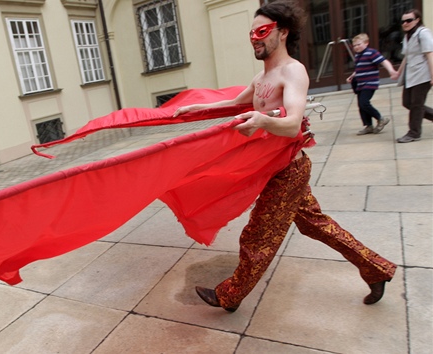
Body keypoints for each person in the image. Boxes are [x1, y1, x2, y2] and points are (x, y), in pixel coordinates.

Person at [173, 0, 396, 312]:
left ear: (282, 32)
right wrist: (196, 109)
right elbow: (233, 105)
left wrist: (262, 120)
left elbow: (292, 125)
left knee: (258, 236)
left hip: (287, 171)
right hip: (275, 167)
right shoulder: (261, 77)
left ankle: (230, 295)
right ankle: (375, 268)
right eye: (251, 33)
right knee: (315, 224)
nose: (255, 38)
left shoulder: (293, 71)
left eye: (262, 31)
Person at [390, 9, 433, 143]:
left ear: (417, 20)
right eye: (403, 21)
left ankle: (414, 133)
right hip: (411, 75)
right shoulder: (408, 35)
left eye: (409, 20)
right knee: (407, 102)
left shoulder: (423, 33)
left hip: (423, 75)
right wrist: (398, 72)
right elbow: (407, 56)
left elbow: (430, 54)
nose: (405, 23)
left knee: (416, 105)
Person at [346, 33, 397, 135]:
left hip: (369, 83)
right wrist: (353, 75)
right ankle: (368, 125)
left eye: (359, 44)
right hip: (360, 84)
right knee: (361, 105)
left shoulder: (371, 53)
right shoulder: (358, 56)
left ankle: (380, 118)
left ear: (366, 43)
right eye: (354, 46)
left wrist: (391, 70)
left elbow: (384, 61)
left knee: (364, 102)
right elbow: (359, 68)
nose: (356, 47)